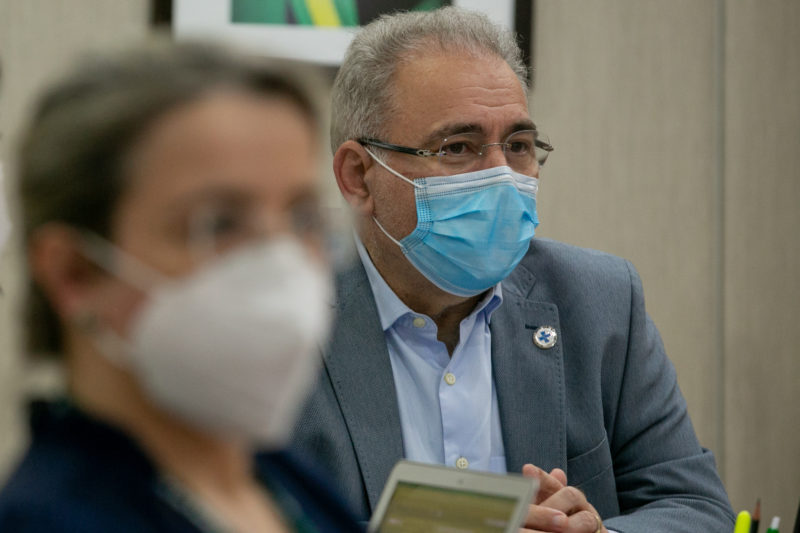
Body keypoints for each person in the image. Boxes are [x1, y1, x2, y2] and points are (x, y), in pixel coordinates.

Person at [288, 6, 735, 532]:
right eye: (458, 148)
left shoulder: (601, 300)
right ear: (358, 176)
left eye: (519, 146)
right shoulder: (281, 321)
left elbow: (698, 508)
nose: (502, 177)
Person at [0, 42, 361, 532]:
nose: (283, 262)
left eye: (302, 218)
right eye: (218, 224)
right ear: (75, 273)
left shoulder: (282, 480)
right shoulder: (48, 519)